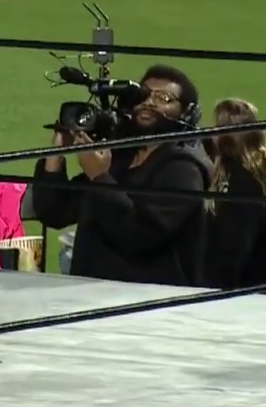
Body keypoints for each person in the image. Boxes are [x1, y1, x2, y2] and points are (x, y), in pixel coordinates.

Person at [30, 64, 212, 286]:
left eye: (164, 98)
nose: (149, 102)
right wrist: (56, 154)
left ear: (187, 113)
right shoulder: (120, 157)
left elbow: (139, 237)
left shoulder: (184, 170)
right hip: (91, 294)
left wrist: (99, 177)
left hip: (149, 300)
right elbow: (54, 213)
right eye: (143, 94)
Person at [203, 98, 266, 289]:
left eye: (216, 128)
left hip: (243, 288)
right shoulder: (250, 169)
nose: (211, 133)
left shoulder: (244, 178)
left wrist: (219, 289)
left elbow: (235, 244)